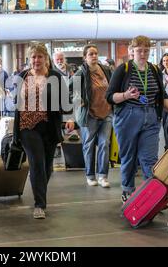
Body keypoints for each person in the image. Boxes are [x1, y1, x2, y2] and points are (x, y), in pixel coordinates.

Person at [106, 35, 168, 203]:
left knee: (150, 159)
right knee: (129, 157)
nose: (143, 54)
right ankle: (128, 191)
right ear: (132, 51)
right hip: (127, 117)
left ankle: (151, 194)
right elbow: (110, 97)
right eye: (139, 50)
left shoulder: (154, 70)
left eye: (146, 50)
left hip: (151, 117)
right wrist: (126, 95)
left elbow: (162, 96)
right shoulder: (123, 69)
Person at [12, 43, 74, 219]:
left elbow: (66, 103)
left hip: (49, 127)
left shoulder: (55, 77)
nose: (36, 60)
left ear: (46, 59)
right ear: (29, 59)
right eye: (33, 57)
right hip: (27, 127)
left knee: (47, 167)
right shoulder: (22, 76)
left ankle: (39, 189)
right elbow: (15, 104)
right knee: (37, 162)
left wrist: (69, 118)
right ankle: (39, 204)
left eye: (40, 56)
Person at [71, 45, 112, 187]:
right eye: (90, 54)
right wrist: (78, 100)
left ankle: (103, 176)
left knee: (104, 144)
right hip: (90, 115)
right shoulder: (81, 73)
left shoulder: (106, 70)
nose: (94, 56)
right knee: (88, 146)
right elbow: (70, 90)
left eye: (95, 53)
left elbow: (112, 88)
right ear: (85, 57)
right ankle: (90, 175)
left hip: (106, 113)